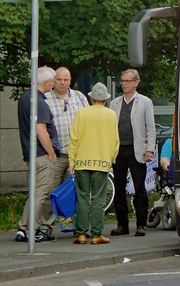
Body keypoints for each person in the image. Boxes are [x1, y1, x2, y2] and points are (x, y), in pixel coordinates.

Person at [67, 83, 119, 245]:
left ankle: (81, 234)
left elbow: (74, 138)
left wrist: (72, 160)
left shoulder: (81, 113)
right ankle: (96, 234)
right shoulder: (110, 115)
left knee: (82, 198)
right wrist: (112, 159)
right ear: (105, 99)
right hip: (101, 161)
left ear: (91, 98)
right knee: (98, 198)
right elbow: (115, 140)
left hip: (82, 161)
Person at [16, 66, 61, 243]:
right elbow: (41, 130)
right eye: (53, 80)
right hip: (42, 155)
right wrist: (51, 152)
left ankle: (23, 227)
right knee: (41, 193)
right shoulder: (40, 102)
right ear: (47, 82)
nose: (54, 84)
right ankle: (32, 231)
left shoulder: (25, 99)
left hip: (30, 153)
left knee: (34, 192)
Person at [108, 68, 155, 237]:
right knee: (119, 189)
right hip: (119, 150)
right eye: (123, 81)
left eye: (128, 81)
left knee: (139, 188)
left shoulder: (145, 102)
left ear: (136, 82)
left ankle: (141, 224)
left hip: (137, 150)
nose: (124, 84)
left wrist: (150, 149)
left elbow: (150, 127)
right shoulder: (115, 103)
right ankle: (122, 224)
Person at [44, 67, 89, 191]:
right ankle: (51, 212)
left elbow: (88, 123)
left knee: (73, 191)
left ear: (70, 80)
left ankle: (71, 211)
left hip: (77, 155)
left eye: (65, 80)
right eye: (59, 79)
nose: (62, 83)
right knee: (51, 190)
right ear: (53, 80)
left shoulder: (80, 97)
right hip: (55, 155)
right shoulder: (45, 99)